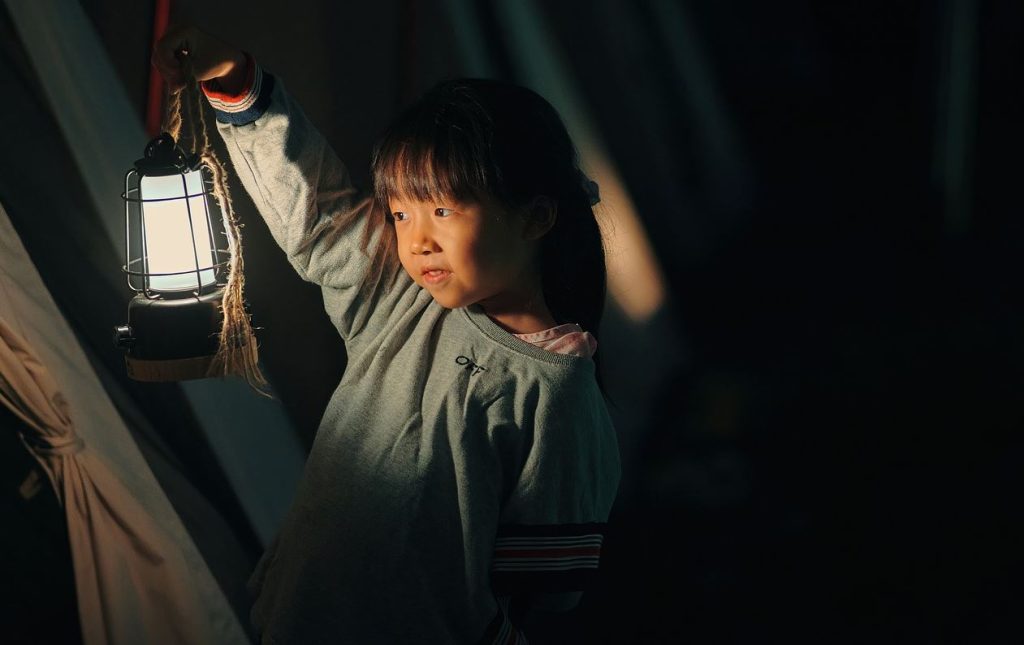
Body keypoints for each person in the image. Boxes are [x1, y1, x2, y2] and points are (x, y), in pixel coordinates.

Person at [154, 24, 621, 645]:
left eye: (445, 210)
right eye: (401, 212)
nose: (417, 239)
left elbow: (548, 588)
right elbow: (318, 216)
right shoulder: (399, 298)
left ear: (535, 215)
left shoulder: (556, 393)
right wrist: (241, 87)